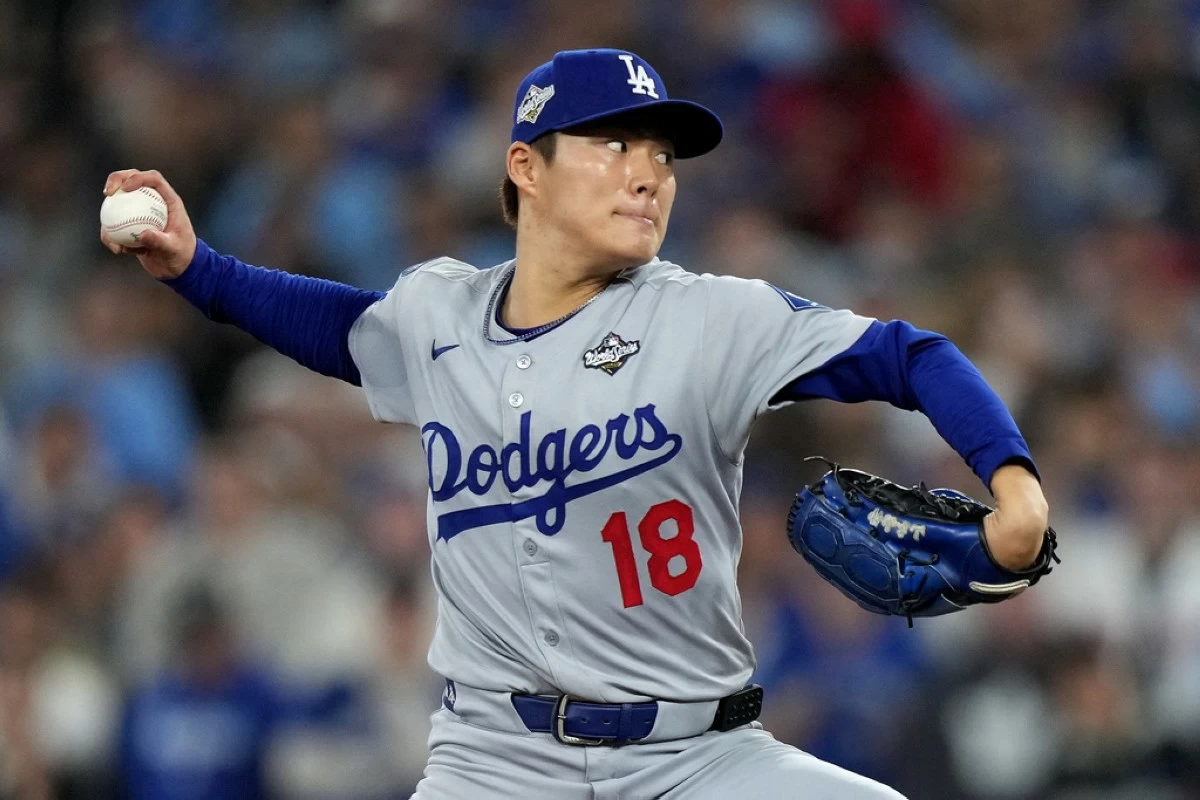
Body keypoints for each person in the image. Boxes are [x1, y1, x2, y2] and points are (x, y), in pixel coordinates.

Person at [101, 48, 1049, 799]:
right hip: (492, 761)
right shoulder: (436, 317)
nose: (649, 176)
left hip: (698, 759)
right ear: (527, 167)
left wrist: (1016, 490)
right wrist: (198, 267)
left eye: (662, 156)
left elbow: (910, 355)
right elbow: (335, 326)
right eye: (614, 146)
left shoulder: (709, 318)